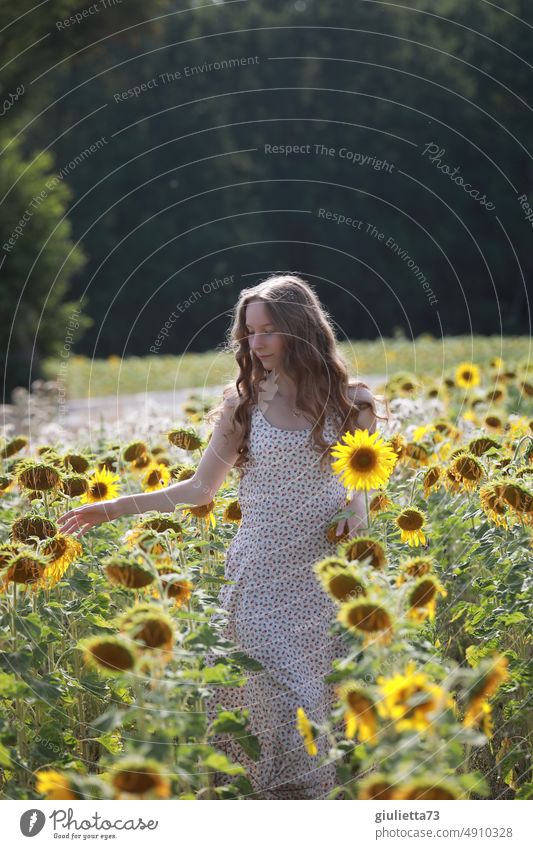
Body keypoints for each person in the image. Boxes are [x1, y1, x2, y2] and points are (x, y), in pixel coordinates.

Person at [58, 273, 385, 800]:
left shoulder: (353, 402)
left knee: (320, 720)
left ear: (300, 330)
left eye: (267, 332)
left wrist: (355, 508)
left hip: (325, 585)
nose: (255, 345)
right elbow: (199, 488)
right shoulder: (244, 406)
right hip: (258, 581)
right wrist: (115, 506)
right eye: (249, 334)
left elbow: (363, 483)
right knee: (272, 708)